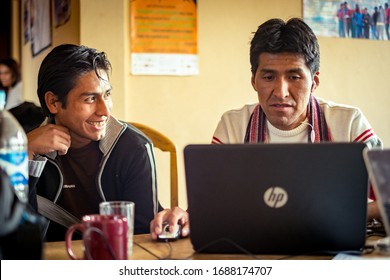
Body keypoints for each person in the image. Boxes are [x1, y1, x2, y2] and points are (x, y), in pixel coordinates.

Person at [152, 17, 384, 237]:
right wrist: (185, 215)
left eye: (294, 77)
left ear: (314, 82)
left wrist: (337, 215)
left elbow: (387, 200)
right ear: (254, 80)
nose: (281, 92)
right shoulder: (233, 126)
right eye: (268, 77)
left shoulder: (350, 124)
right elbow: (211, 206)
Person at [27, 44, 172, 241]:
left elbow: (143, 234)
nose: (105, 111)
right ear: (53, 103)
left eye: (107, 95)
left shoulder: (134, 148)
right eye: (90, 99)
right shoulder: (28, 147)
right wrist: (22, 153)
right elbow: (14, 232)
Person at [0, 58, 44, 132]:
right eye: (0, 73)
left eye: (6, 73)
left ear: (14, 72)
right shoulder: (11, 89)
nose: (2, 77)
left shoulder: (21, 88)